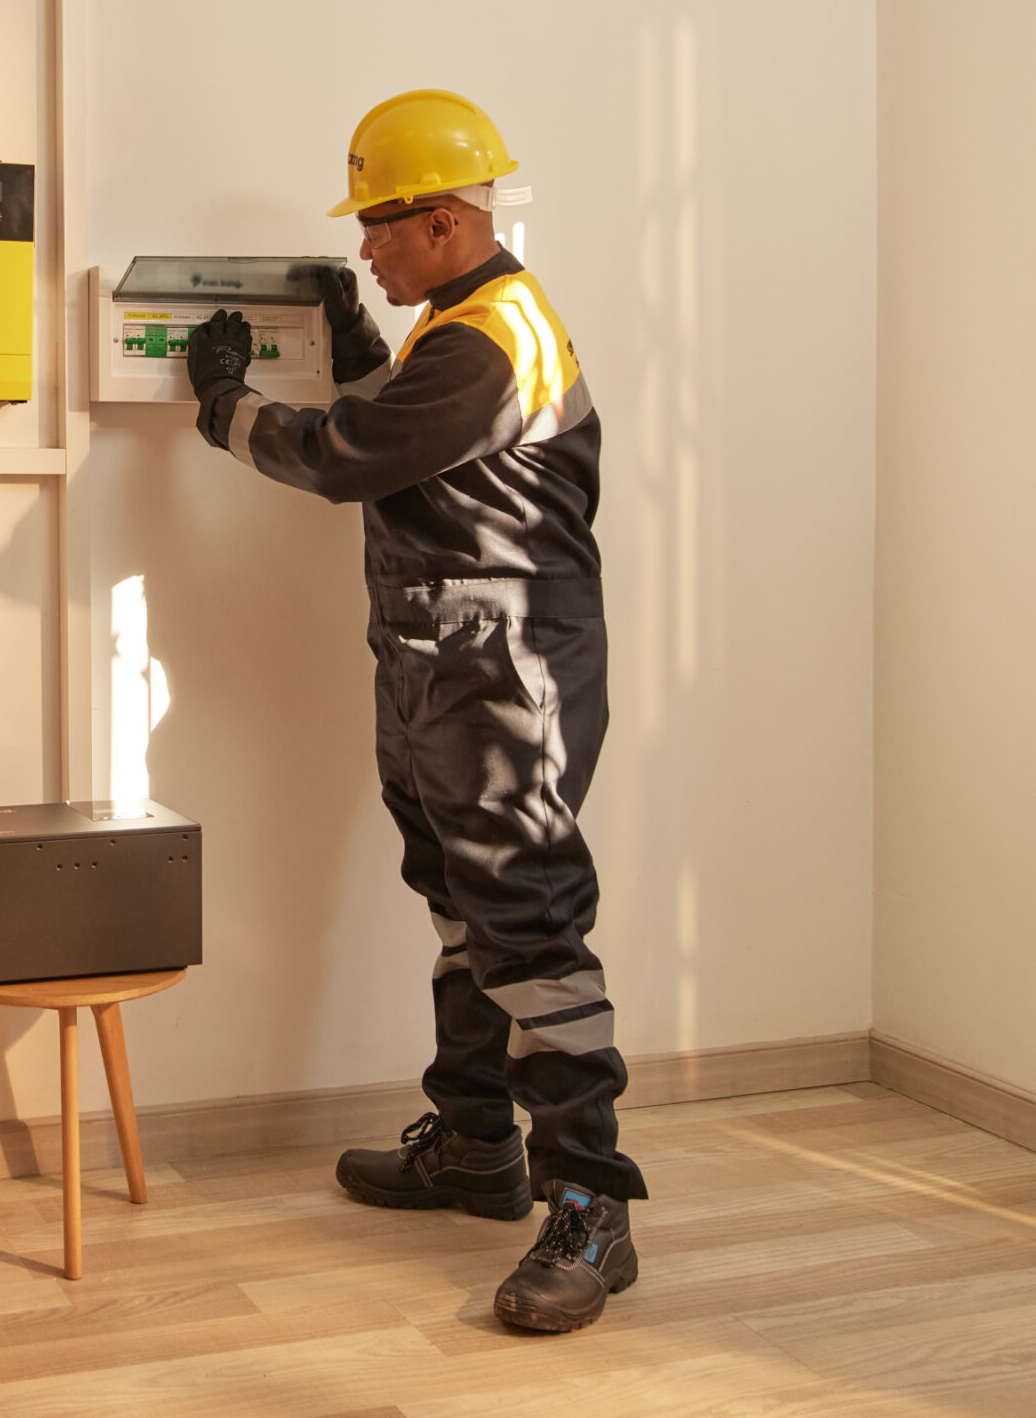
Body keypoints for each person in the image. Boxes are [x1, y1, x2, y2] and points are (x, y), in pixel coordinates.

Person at [184, 89, 644, 1333]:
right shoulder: (461, 325)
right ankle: (478, 1141)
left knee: (531, 933)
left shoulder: (489, 335)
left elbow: (348, 455)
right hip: (445, 665)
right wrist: (352, 339)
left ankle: (592, 1209)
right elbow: (418, 431)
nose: (366, 249)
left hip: (506, 675)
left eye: (380, 228)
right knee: (460, 909)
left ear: (444, 219)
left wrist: (222, 402)